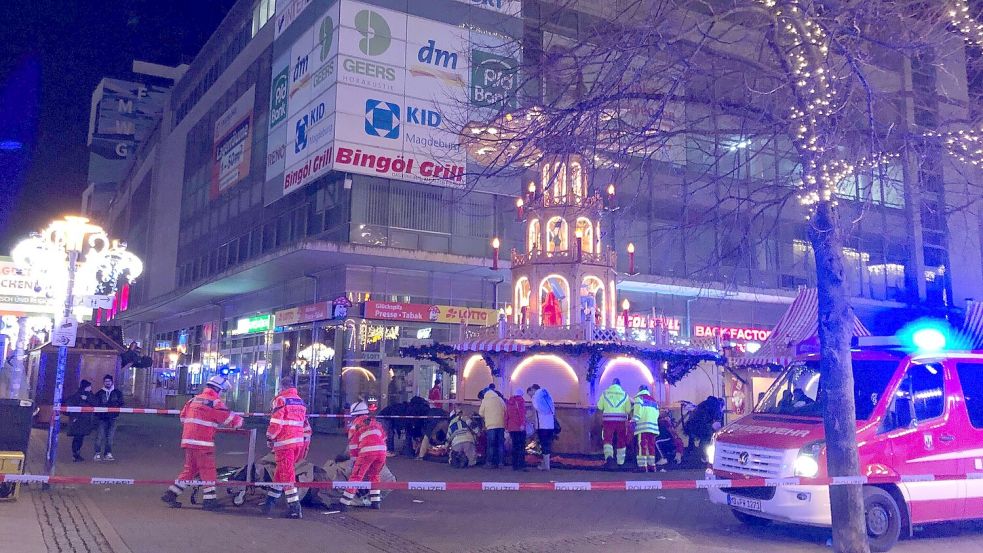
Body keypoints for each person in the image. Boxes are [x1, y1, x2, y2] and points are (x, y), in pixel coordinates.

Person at [161, 375, 243, 510]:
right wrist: (239, 421)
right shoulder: (215, 402)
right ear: (218, 389)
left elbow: (183, 417)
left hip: (188, 440)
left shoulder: (194, 399)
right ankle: (209, 501)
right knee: (208, 470)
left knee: (190, 469)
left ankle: (171, 493)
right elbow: (232, 420)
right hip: (203, 442)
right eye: (222, 391)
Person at [262, 376, 309, 519]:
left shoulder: (281, 400)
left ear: (282, 387)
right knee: (281, 472)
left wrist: (270, 436)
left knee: (287, 475)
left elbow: (276, 422)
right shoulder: (300, 401)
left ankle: (295, 508)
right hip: (297, 443)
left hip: (284, 443)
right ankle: (269, 502)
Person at [340, 400, 387, 510]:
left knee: (356, 476)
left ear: (354, 414)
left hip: (366, 452)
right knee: (375, 475)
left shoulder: (355, 425)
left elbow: (353, 446)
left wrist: (354, 460)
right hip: (382, 452)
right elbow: (384, 437)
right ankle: (376, 502)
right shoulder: (375, 423)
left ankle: (344, 503)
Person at [597, 378, 632, 468]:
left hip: (608, 420)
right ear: (620, 385)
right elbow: (628, 410)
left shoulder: (605, 393)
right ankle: (620, 461)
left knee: (608, 439)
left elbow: (599, 407)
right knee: (621, 439)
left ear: (612, 384)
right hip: (621, 420)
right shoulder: (625, 395)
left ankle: (609, 458)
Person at [94, 374, 124, 461]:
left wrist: (114, 406)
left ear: (112, 382)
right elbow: (96, 403)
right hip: (102, 418)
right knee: (99, 436)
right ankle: (97, 453)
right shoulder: (99, 393)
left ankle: (108, 453)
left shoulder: (117, 393)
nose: (107, 383)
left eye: (109, 381)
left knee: (110, 437)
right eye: (106, 382)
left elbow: (121, 402)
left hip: (113, 418)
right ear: (104, 383)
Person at [66, 380, 96, 462]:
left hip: (84, 420)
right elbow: (71, 405)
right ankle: (75, 454)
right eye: (89, 386)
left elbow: (96, 403)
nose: (90, 388)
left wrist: (87, 399)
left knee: (80, 437)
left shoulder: (89, 395)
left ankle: (76, 454)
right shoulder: (77, 396)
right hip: (79, 420)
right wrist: (74, 416)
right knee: (78, 437)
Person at [632, 386, 660, 472]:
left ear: (639, 390)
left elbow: (637, 413)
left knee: (642, 446)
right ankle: (652, 466)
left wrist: (633, 421)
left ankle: (642, 467)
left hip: (642, 427)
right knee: (651, 446)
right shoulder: (654, 401)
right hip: (653, 428)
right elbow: (657, 414)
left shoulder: (639, 399)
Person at [478, 383, 506, 468]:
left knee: (491, 445)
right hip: (501, 425)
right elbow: (505, 409)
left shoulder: (485, 400)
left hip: (491, 426)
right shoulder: (500, 399)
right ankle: (501, 463)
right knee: (500, 444)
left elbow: (481, 413)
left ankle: (489, 463)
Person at [528, 384, 555, 471]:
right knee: (548, 444)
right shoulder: (548, 395)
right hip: (550, 424)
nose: (530, 396)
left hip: (542, 425)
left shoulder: (536, 397)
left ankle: (546, 466)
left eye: (530, 393)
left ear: (533, 389)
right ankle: (546, 464)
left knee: (543, 445)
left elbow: (536, 410)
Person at [504, 389, 528, 471]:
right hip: (519, 427)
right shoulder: (520, 401)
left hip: (511, 428)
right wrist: (522, 424)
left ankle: (515, 465)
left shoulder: (509, 403)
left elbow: (506, 416)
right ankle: (521, 465)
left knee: (514, 446)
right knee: (521, 446)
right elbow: (522, 414)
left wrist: (506, 427)